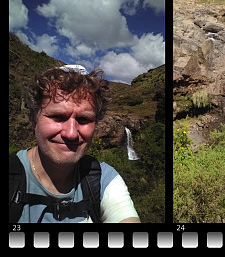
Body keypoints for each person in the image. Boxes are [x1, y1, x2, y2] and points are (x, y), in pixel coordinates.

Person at [10, 66, 140, 223]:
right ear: (33, 119)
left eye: (84, 119)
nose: (71, 133)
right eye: (57, 116)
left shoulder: (103, 178)